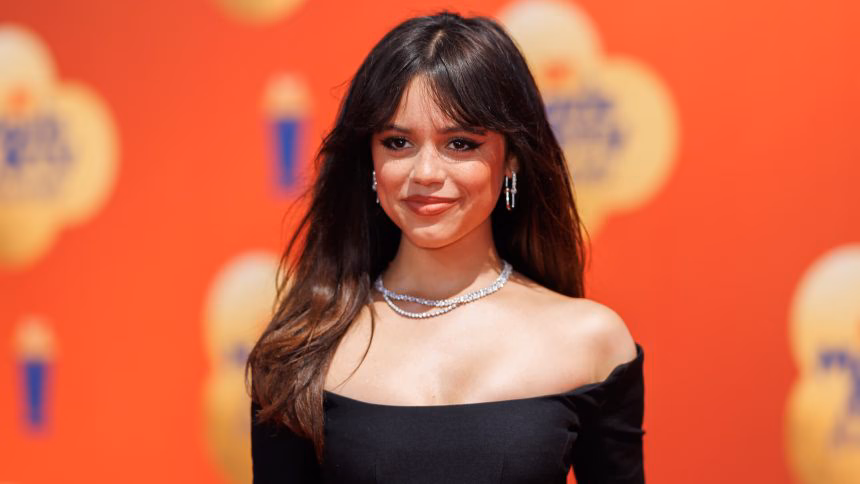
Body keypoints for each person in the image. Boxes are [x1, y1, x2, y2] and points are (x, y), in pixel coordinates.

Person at [246, 10, 645, 484]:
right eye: (398, 142)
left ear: (512, 158)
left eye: (460, 144)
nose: (426, 173)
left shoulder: (591, 341)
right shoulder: (301, 349)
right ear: (369, 158)